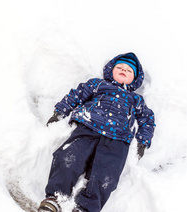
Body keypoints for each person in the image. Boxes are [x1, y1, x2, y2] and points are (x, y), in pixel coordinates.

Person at [37, 53, 155, 212]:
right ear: (110, 70)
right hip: (88, 127)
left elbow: (147, 120)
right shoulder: (98, 85)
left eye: (128, 71)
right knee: (67, 158)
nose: (123, 70)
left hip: (117, 140)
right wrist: (60, 112)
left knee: (106, 177)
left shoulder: (136, 100)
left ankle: (85, 208)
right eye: (119, 67)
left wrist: (143, 141)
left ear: (135, 79)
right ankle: (56, 197)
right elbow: (76, 95)